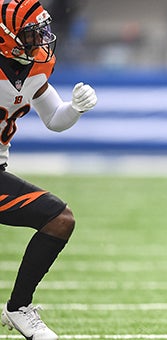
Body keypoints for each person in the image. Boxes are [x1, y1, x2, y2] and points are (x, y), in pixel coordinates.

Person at [0, 1, 97, 339]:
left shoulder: (34, 68)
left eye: (42, 30)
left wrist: (74, 109)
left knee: (60, 219)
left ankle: (19, 307)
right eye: (31, 33)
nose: (41, 39)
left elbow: (54, 119)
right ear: (6, 37)